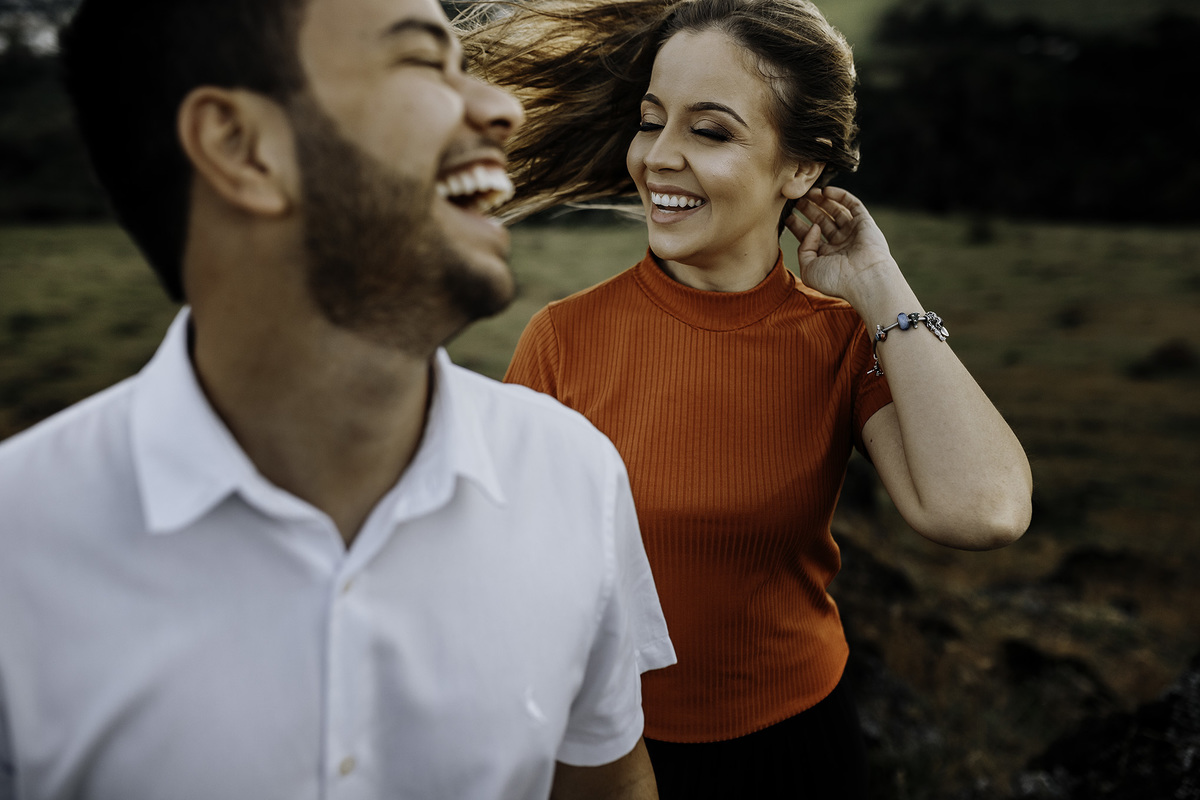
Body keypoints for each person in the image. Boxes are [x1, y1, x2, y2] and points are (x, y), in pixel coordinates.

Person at [0, 0, 678, 796]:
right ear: (241, 146)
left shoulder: (574, 474)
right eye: (426, 62)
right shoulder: (18, 548)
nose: (503, 108)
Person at [460, 0, 1034, 796]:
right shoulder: (562, 338)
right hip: (608, 752)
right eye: (651, 120)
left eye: (711, 131)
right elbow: (503, 585)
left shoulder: (838, 340)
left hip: (797, 751)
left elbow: (982, 510)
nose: (660, 157)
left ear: (801, 169)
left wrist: (877, 287)